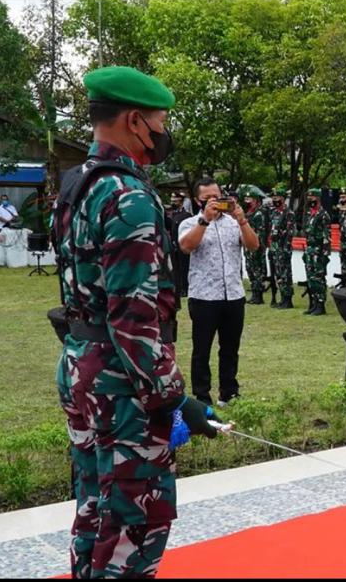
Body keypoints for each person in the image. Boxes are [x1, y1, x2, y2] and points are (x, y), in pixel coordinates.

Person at [52, 65, 217, 578]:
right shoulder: (128, 196)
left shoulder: (77, 184)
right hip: (124, 386)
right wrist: (173, 399)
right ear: (133, 120)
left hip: (83, 367)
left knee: (95, 512)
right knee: (132, 528)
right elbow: (135, 318)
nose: (163, 134)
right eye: (160, 122)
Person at [179, 178, 260, 407]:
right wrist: (205, 220)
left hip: (233, 294)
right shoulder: (189, 223)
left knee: (230, 348)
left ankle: (229, 393)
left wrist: (242, 220)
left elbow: (254, 245)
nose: (215, 201)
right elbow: (186, 247)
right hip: (204, 295)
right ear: (197, 201)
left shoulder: (233, 223)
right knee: (201, 349)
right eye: (208, 199)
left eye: (218, 196)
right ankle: (202, 396)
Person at [303, 187, 331, 315]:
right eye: (309, 197)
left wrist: (325, 253)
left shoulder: (323, 215)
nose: (310, 200)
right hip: (310, 249)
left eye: (312, 197)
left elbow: (326, 236)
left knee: (319, 277)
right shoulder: (310, 214)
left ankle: (321, 304)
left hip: (319, 250)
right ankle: (313, 303)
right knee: (311, 277)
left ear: (318, 198)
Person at [241, 185, 269, 305]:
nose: (247, 202)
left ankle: (258, 295)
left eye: (249, 199)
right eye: (246, 199)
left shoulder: (259, 213)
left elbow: (261, 232)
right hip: (247, 247)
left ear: (256, 200)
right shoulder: (248, 213)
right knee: (250, 269)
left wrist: (258, 247)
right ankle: (254, 293)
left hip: (256, 247)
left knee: (257, 270)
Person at [268, 186, 296, 309]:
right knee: (278, 275)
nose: (275, 200)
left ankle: (287, 299)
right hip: (274, 248)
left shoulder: (288, 213)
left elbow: (290, 233)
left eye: (277, 198)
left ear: (283, 199)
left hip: (283, 248)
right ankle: (282, 298)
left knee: (285, 274)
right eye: (273, 198)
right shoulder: (274, 212)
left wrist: (286, 249)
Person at [166, 191, 191, 297]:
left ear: (181, 201)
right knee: (175, 268)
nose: (173, 203)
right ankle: (178, 288)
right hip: (173, 245)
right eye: (172, 201)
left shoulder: (186, 215)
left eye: (175, 201)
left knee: (184, 267)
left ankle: (185, 288)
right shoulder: (173, 214)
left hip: (183, 245)